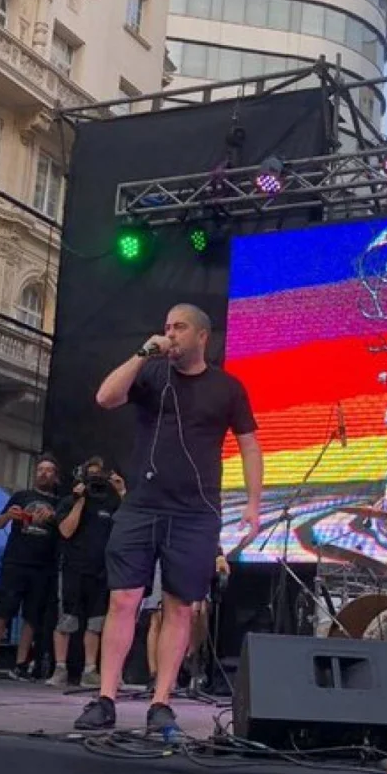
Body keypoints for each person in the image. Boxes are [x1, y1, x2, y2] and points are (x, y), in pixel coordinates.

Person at [74, 303, 262, 736]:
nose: (170, 334)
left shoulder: (227, 388)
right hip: (142, 505)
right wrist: (143, 353)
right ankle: (106, 697)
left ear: (202, 336)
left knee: (179, 606)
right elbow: (105, 397)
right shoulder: (151, 374)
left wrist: (253, 503)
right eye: (166, 327)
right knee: (123, 599)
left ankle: (161, 703)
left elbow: (250, 446)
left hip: (196, 511)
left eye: (179, 328)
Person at [0, 456, 61, 680]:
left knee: (32, 617)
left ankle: (21, 663)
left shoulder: (60, 503)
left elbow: (66, 530)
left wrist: (54, 518)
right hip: (15, 561)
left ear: (55, 476)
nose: (43, 473)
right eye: (40, 469)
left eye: (48, 470)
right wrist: (8, 515)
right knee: (2, 611)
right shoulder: (21, 496)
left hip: (43, 566)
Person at [47, 457, 126, 688]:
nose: (95, 480)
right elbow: (66, 531)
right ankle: (60, 668)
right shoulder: (69, 501)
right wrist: (79, 500)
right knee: (66, 619)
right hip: (73, 568)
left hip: (101, 571)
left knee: (96, 622)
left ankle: (90, 670)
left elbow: (128, 526)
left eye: (99, 475)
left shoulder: (111, 502)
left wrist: (121, 492)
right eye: (90, 475)